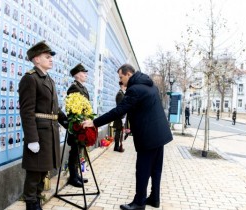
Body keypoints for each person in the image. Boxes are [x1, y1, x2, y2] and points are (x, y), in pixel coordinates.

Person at [82, 64, 172, 210]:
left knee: (142, 169)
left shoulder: (134, 89)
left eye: (121, 77)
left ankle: (139, 202)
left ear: (129, 74)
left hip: (148, 136)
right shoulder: (150, 85)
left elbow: (118, 111)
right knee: (155, 169)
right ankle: (155, 198)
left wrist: (94, 122)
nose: (121, 80)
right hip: (160, 134)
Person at [19, 40, 68, 210]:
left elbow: (54, 107)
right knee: (34, 173)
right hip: (39, 133)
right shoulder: (30, 79)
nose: (51, 59)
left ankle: (37, 200)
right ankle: (31, 204)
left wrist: (66, 121)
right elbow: (27, 111)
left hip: (50, 132)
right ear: (36, 59)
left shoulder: (48, 79)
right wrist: (32, 138)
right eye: (47, 57)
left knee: (43, 171)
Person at [66, 63, 90, 187]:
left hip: (83, 124)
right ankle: (72, 176)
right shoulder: (74, 88)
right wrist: (78, 121)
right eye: (83, 73)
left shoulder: (83, 88)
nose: (85, 75)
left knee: (79, 149)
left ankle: (76, 174)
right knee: (74, 150)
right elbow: (72, 108)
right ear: (77, 75)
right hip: (76, 125)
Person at [113, 81, 126, 152]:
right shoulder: (120, 94)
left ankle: (117, 146)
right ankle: (116, 147)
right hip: (119, 117)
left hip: (121, 116)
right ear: (122, 85)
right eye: (125, 85)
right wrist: (122, 118)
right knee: (118, 132)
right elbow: (120, 107)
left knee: (119, 132)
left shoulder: (122, 94)